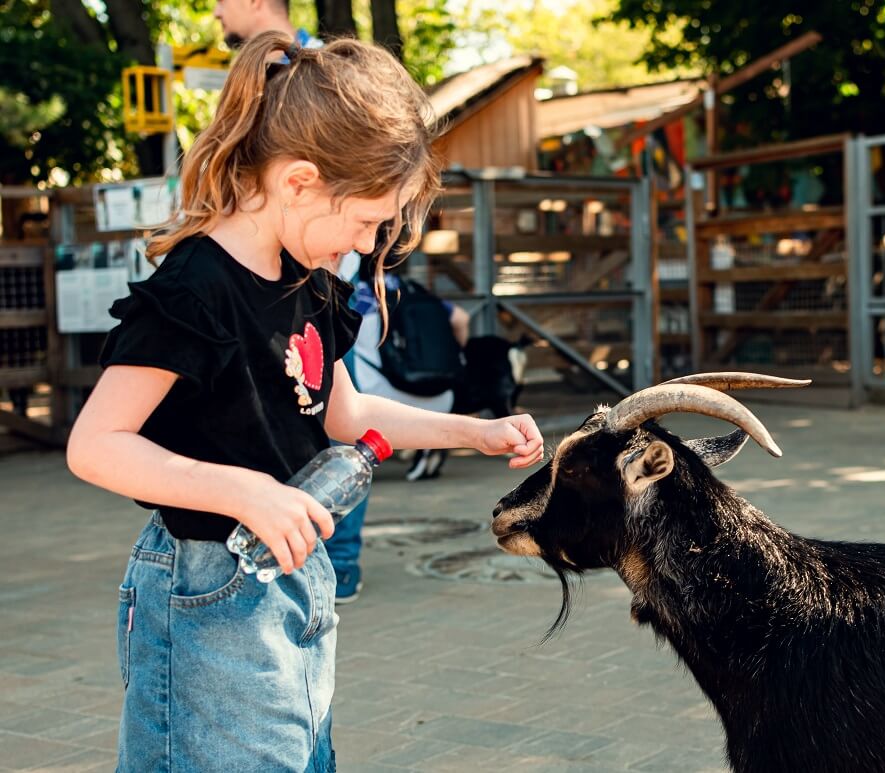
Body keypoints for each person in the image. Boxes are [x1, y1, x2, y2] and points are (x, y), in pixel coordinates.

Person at [65, 32, 544, 771]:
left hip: (293, 575)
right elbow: (95, 444)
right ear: (298, 182)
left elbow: (345, 417)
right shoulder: (196, 290)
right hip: (205, 585)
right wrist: (241, 489)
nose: (364, 244)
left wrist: (472, 431)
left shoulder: (310, 280)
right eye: (363, 222)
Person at [324, 250, 470, 603]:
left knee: (344, 453)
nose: (360, 241)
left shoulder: (335, 293)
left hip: (367, 388)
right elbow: (462, 318)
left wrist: (477, 434)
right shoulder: (395, 287)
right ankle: (342, 561)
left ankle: (339, 560)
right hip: (404, 389)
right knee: (348, 455)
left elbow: (352, 415)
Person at [213, 0, 318, 50]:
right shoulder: (246, 77)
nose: (216, 13)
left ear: (253, 1)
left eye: (222, 2)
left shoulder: (327, 72)